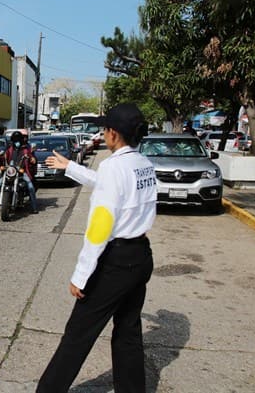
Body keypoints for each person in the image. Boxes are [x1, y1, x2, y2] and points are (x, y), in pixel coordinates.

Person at [36, 103, 157, 393]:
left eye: (105, 129)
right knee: (128, 332)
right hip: (140, 256)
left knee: (77, 335)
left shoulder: (114, 166)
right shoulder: (143, 164)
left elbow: (100, 227)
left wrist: (81, 275)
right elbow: (111, 187)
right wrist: (71, 167)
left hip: (116, 263)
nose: (102, 134)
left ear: (114, 134)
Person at [0, 130, 38, 214]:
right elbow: (4, 156)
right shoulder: (9, 149)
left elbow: (32, 159)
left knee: (30, 187)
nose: (17, 142)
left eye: (18, 140)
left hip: (22, 172)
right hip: (10, 171)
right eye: (15, 140)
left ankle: (34, 208)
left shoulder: (26, 149)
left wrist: (31, 158)